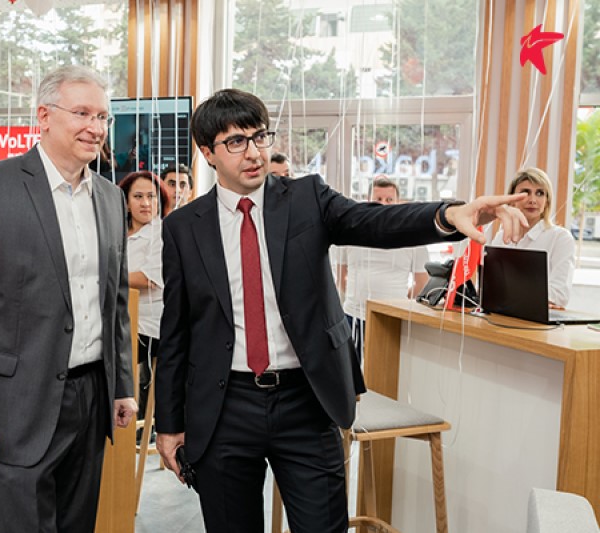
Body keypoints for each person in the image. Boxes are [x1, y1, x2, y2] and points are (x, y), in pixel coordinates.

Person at [154, 88, 529, 533]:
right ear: (207, 152)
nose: (253, 152)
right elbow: (176, 330)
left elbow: (375, 222)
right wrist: (169, 424)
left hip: (305, 399)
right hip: (224, 405)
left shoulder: (305, 198)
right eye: (236, 142)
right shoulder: (183, 228)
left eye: (260, 137)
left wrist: (449, 215)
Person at [0, 65, 137, 533]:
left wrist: (121, 384)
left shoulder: (110, 197)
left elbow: (115, 301)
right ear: (44, 116)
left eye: (102, 117)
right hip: (16, 405)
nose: (96, 127)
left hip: (91, 399)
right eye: (82, 113)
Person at [335, 175, 429, 361]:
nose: (383, 204)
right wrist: (356, 297)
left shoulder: (413, 237)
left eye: (389, 200)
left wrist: (398, 300)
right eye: (378, 199)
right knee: (349, 372)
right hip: (353, 316)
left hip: (392, 318)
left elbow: (422, 282)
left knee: (386, 372)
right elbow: (340, 275)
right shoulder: (350, 232)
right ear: (368, 201)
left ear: (397, 202)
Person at [117, 170, 168, 421]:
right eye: (138, 196)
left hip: (147, 329)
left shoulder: (163, 232)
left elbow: (148, 278)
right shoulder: (116, 232)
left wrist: (107, 276)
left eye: (151, 196)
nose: (146, 203)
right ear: (126, 202)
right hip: (120, 320)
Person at [488, 167, 575, 308]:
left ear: (547, 201)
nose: (533, 200)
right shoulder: (501, 237)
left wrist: (508, 294)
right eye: (525, 193)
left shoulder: (560, 238)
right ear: (512, 200)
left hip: (535, 320)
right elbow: (490, 286)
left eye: (540, 193)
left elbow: (558, 295)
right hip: (501, 315)